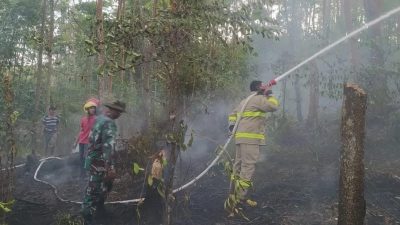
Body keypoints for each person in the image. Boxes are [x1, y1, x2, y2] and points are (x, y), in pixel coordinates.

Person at [228, 80, 279, 206]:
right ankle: (240, 199)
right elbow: (273, 107)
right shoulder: (258, 99)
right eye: (262, 85)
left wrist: (231, 127)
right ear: (258, 87)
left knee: (238, 166)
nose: (264, 86)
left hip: (240, 138)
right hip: (250, 139)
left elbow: (232, 114)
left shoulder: (244, 101)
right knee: (248, 167)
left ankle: (232, 195)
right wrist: (269, 94)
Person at [81, 100, 126, 225]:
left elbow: (93, 140)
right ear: (113, 110)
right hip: (99, 163)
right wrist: (110, 167)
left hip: (92, 160)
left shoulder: (99, 119)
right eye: (119, 112)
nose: (119, 115)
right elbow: (108, 147)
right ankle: (88, 219)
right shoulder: (109, 123)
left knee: (106, 185)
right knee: (92, 192)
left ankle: (100, 210)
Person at [74, 99, 98, 178]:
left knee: (87, 158)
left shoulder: (96, 119)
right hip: (82, 141)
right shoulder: (83, 119)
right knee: (81, 158)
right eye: (91, 108)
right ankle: (82, 174)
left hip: (89, 142)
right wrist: (76, 142)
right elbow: (81, 131)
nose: (93, 109)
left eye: (94, 108)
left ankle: (89, 174)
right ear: (87, 109)